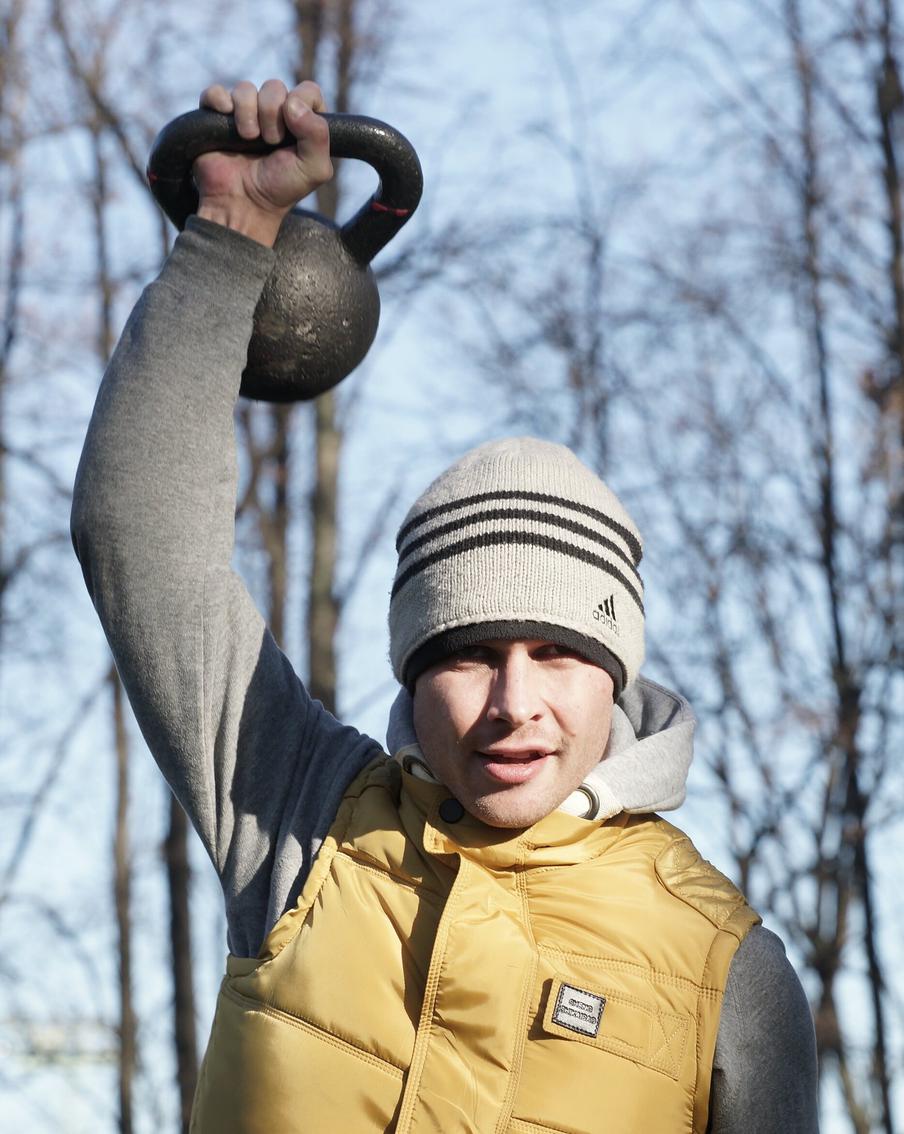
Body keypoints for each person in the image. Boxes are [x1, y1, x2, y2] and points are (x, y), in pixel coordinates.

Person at [71, 79, 819, 1134]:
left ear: (618, 676)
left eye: (557, 654)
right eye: (467, 655)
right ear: (412, 676)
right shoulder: (298, 825)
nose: (515, 702)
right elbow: (140, 540)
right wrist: (231, 234)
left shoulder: (727, 974)